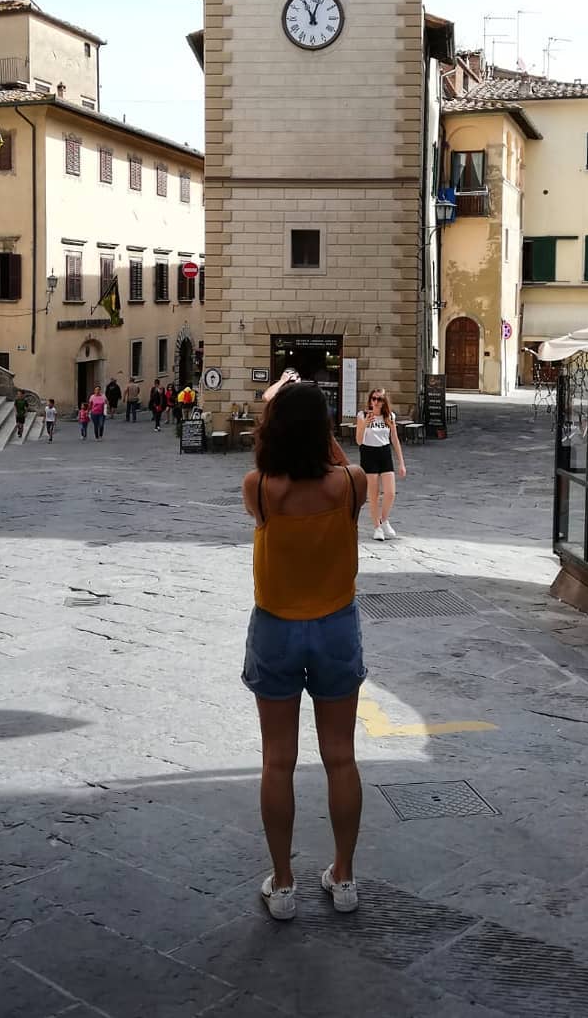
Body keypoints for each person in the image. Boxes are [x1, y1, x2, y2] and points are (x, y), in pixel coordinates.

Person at [241, 375, 368, 922]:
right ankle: (343, 877)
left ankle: (285, 884)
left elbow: (274, 462)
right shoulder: (354, 483)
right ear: (325, 431)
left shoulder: (261, 489)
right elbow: (338, 465)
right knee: (341, 758)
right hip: (336, 625)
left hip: (276, 627)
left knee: (277, 761)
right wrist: (326, 441)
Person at [355, 387, 406, 541]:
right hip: (368, 453)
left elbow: (395, 440)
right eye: (374, 399)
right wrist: (365, 424)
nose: (376, 402)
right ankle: (377, 526)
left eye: (379, 399)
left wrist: (401, 463)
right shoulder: (362, 415)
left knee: (390, 493)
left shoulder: (389, 416)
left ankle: (384, 520)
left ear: (384, 402)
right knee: (374, 494)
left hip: (384, 453)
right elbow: (358, 440)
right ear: (370, 400)